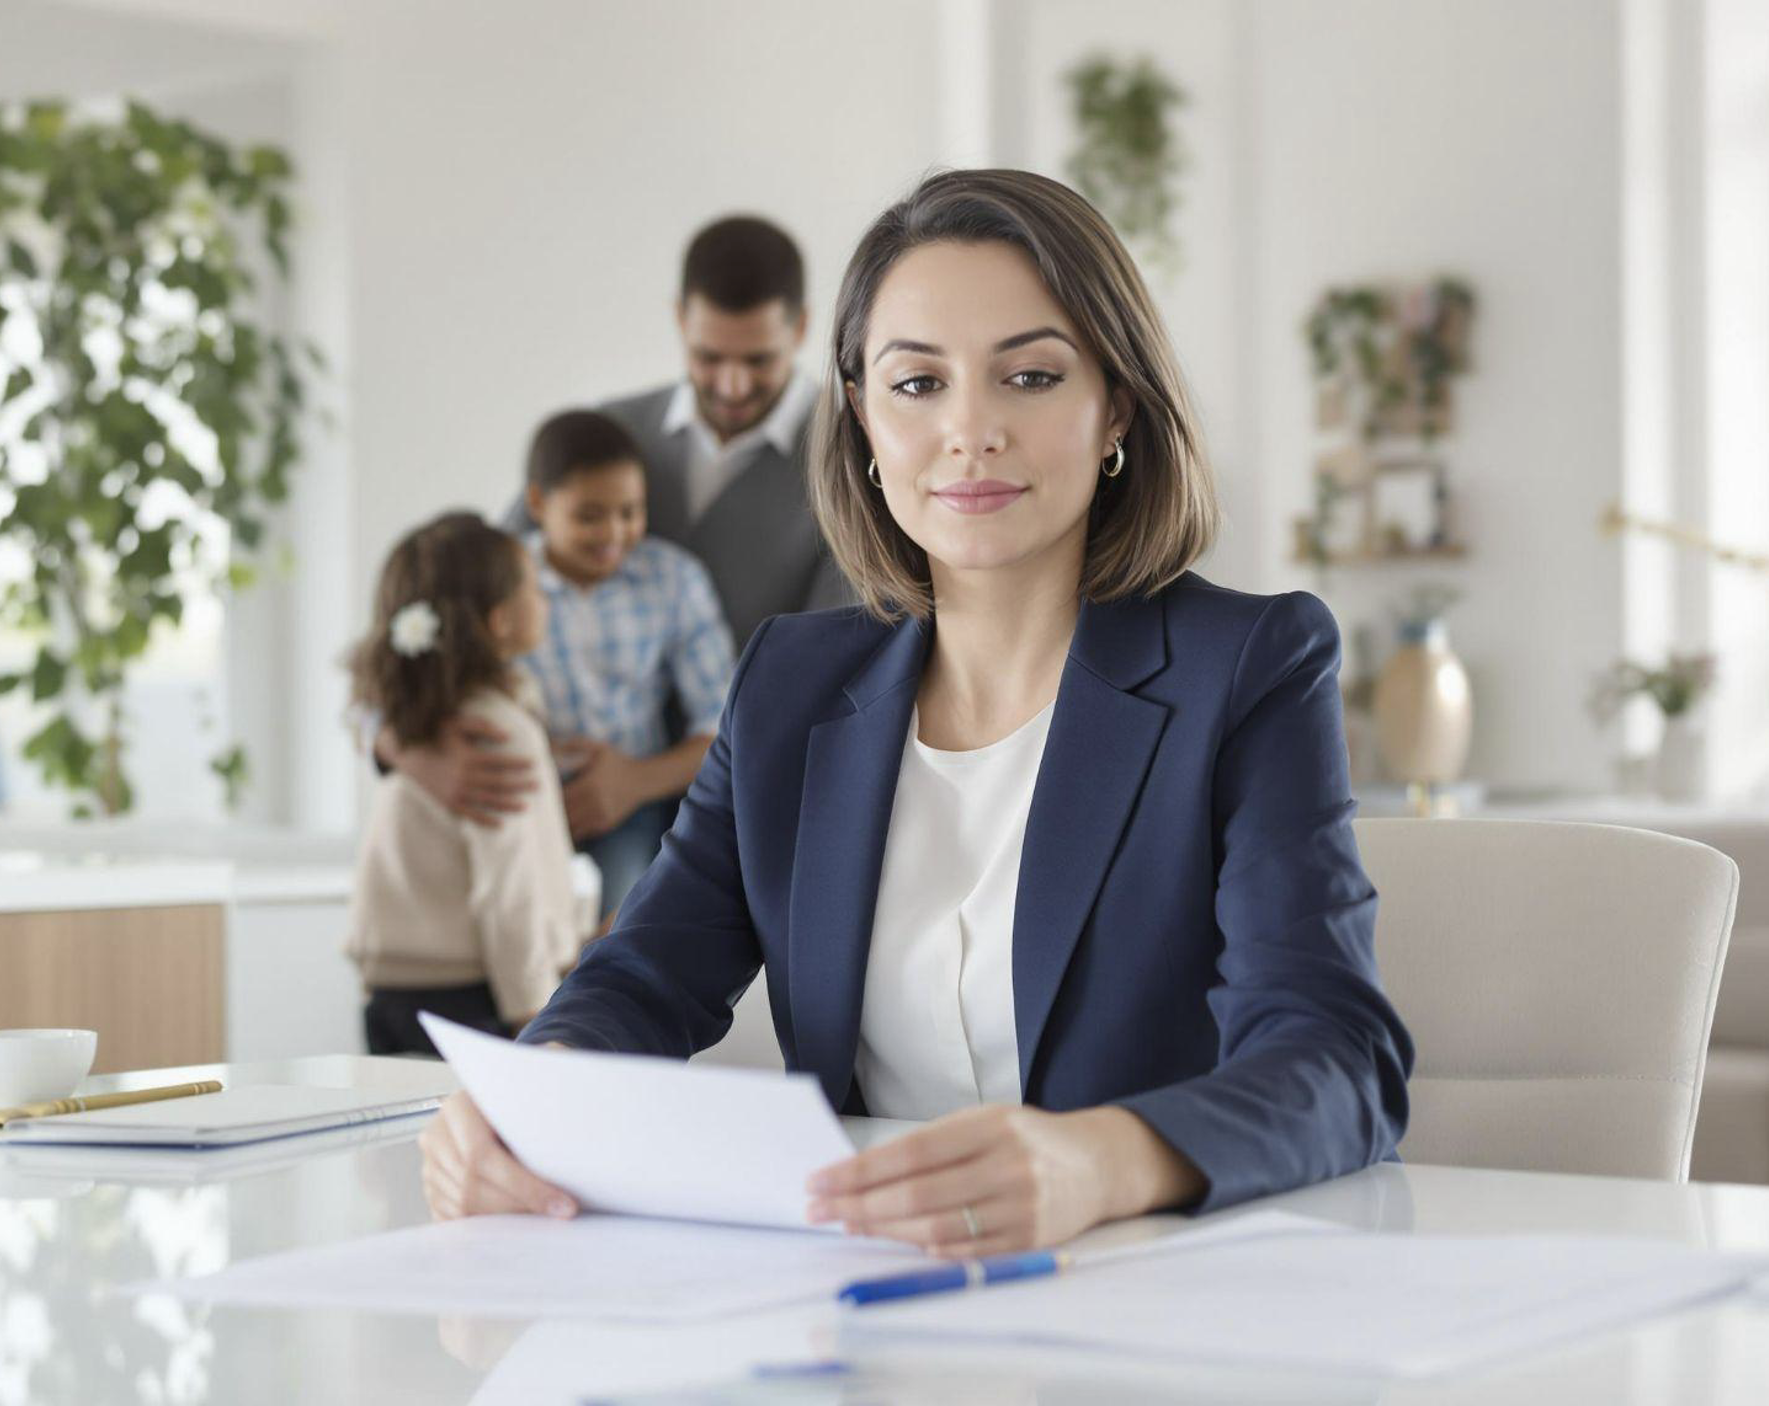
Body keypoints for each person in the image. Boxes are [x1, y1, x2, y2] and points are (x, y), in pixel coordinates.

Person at [418, 169, 1414, 1253]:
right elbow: (645, 974)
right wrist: (534, 1097)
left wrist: (1094, 1160)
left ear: (1114, 404)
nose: (969, 431)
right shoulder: (790, 685)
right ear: (859, 417)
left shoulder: (1248, 667)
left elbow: (1335, 1059)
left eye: (1029, 376)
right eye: (916, 383)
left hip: (1150, 1292)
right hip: (863, 1306)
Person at [386, 215, 846, 834]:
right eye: (709, 357)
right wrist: (407, 748)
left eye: (758, 360)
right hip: (554, 797)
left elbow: (827, 671)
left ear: (802, 329)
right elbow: (466, 589)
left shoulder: (845, 459)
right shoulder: (606, 435)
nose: (733, 385)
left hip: (753, 810)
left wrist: (639, 781)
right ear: (680, 319)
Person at [343, 513, 590, 1056]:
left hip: (391, 994)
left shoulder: (415, 718)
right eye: (534, 587)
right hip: (477, 997)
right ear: (499, 621)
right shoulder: (494, 731)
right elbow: (508, 890)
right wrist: (534, 1011)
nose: (545, 598)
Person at [515, 409, 736, 914]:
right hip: (517, 803)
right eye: (589, 516)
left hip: (629, 807)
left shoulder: (673, 579)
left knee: (623, 922)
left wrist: (633, 782)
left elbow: (725, 724)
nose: (613, 534)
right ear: (537, 504)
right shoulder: (500, 580)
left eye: (630, 512)